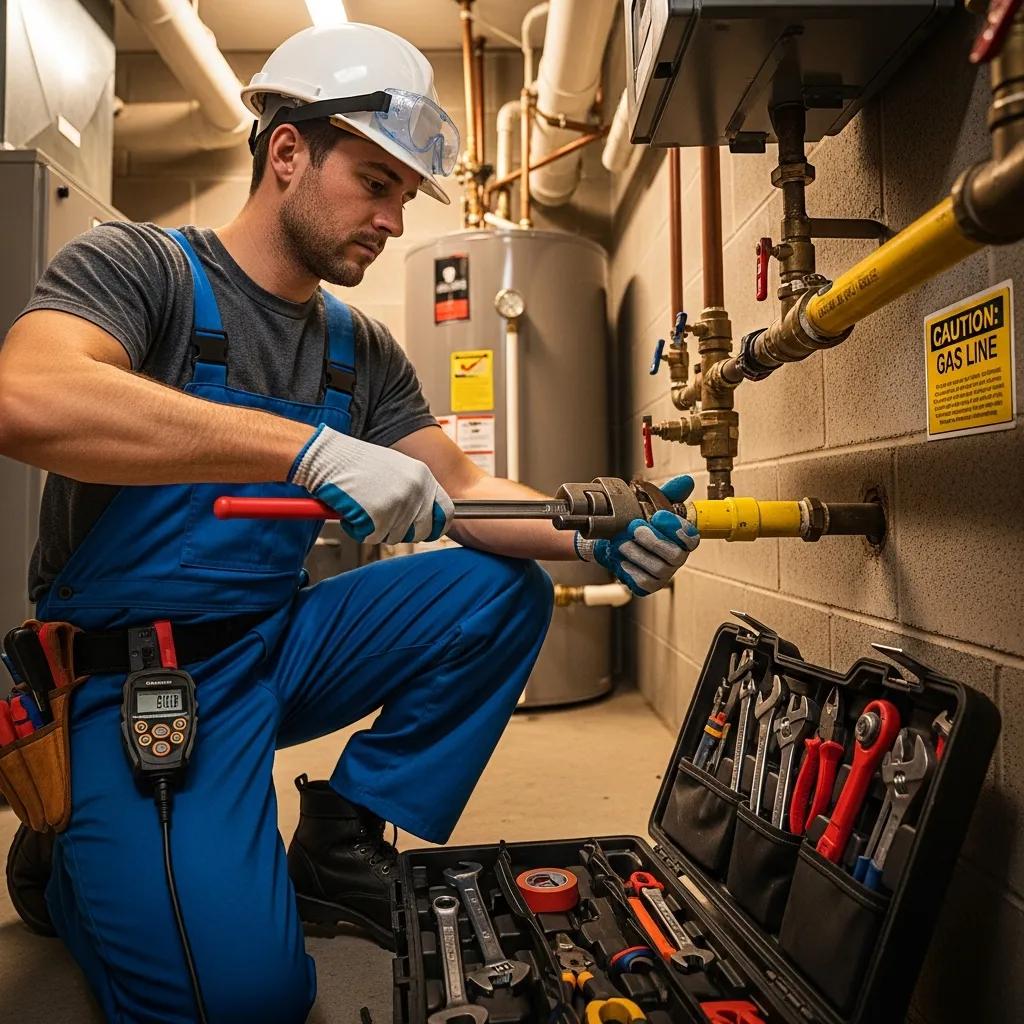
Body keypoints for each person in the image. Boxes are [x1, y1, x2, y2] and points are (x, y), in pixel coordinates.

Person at [0, 22, 700, 1024]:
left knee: (494, 587)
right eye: (374, 182)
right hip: (132, 681)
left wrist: (590, 531)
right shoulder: (142, 268)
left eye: (404, 196)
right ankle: (67, 856)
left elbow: (463, 491)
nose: (391, 217)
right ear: (287, 152)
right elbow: (27, 398)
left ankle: (339, 835)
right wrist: (304, 449)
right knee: (246, 1001)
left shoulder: (358, 349)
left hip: (271, 647)